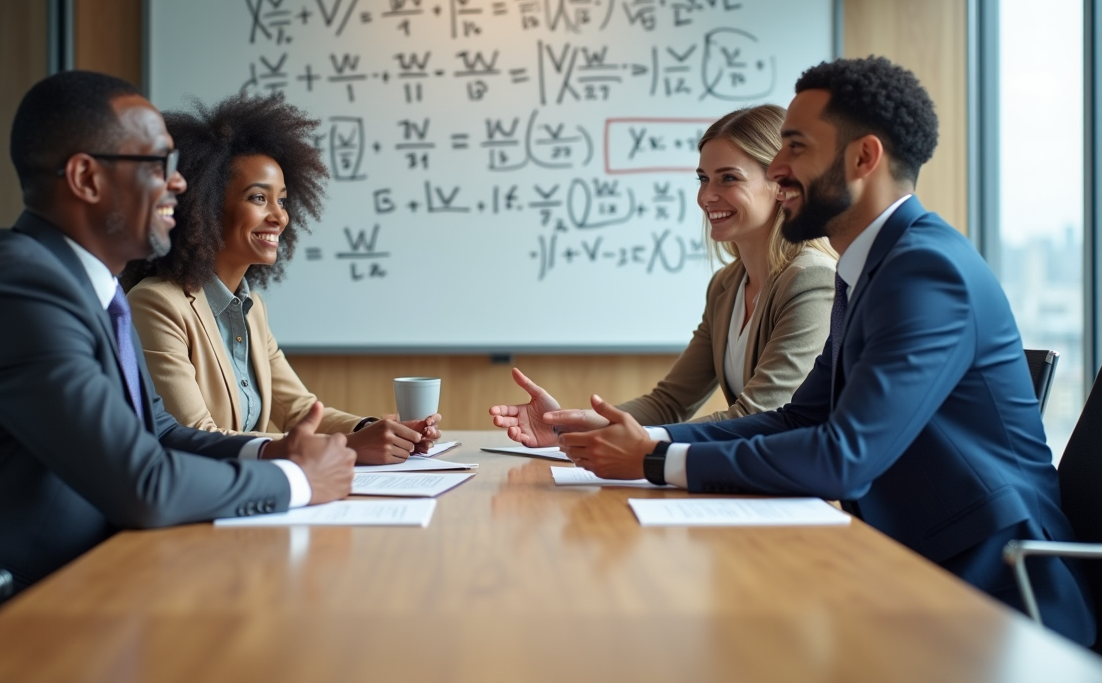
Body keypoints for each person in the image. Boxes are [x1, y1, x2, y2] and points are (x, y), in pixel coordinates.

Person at [543, 57, 1097, 646]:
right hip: (909, 562)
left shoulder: (925, 271)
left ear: (864, 159)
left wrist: (654, 461)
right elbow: (800, 417)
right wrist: (648, 441)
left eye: (795, 148)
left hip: (993, 592)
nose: (777, 169)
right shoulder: (868, 269)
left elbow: (844, 456)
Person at [0, 71, 356, 660]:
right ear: (86, 177)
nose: (179, 182)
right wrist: (299, 481)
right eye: (156, 162)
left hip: (85, 585)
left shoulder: (92, 289)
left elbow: (158, 433)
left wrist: (271, 452)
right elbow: (142, 483)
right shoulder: (19, 293)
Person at [489, 105, 837, 444]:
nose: (706, 196)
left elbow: (759, 415)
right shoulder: (725, 287)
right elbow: (669, 404)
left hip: (794, 493)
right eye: (703, 179)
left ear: (781, 184)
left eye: (728, 178)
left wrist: (639, 445)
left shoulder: (811, 280)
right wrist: (565, 425)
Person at [122, 94, 440, 465]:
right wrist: (347, 447)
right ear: (204, 207)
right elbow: (193, 436)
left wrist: (376, 431)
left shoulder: (251, 308)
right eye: (259, 198)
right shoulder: (157, 303)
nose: (279, 217)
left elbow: (301, 411)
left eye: (283, 201)